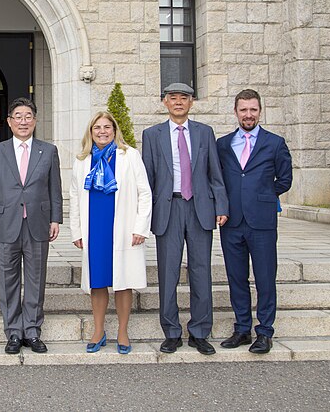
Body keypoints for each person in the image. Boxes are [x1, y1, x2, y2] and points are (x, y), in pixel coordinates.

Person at [141, 82, 228, 355]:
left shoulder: (204, 133)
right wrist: (145, 215)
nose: (178, 102)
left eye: (184, 98)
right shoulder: (152, 135)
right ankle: (172, 331)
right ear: (165, 102)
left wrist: (221, 206)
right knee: (168, 273)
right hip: (169, 209)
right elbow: (148, 178)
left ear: (192, 103)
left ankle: (200, 331)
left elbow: (215, 173)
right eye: (173, 98)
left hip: (200, 208)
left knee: (201, 272)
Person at [0, 98, 62, 354]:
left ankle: (32, 331)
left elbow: (54, 188)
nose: (23, 121)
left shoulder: (48, 151)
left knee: (36, 279)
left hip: (38, 223)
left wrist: (55, 219)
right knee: (8, 280)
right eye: (18, 116)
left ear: (35, 121)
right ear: (9, 121)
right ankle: (13, 332)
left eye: (28, 116)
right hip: (6, 223)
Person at [217, 89, 292, 354]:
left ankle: (265, 332)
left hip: (262, 222)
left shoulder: (275, 143)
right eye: (243, 110)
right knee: (236, 277)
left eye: (253, 110)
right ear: (235, 112)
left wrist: (263, 196)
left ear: (260, 111)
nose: (248, 115)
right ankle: (242, 329)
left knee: (264, 278)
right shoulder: (223, 145)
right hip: (232, 222)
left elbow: (285, 179)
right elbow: (218, 180)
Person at [70, 111, 152, 354]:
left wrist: (140, 227)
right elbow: (75, 196)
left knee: (123, 280)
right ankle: (98, 330)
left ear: (115, 131)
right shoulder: (82, 159)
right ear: (90, 132)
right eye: (97, 128)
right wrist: (76, 230)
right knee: (97, 281)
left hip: (123, 227)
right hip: (94, 227)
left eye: (107, 127)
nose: (102, 131)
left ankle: (123, 331)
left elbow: (144, 193)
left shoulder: (129, 156)